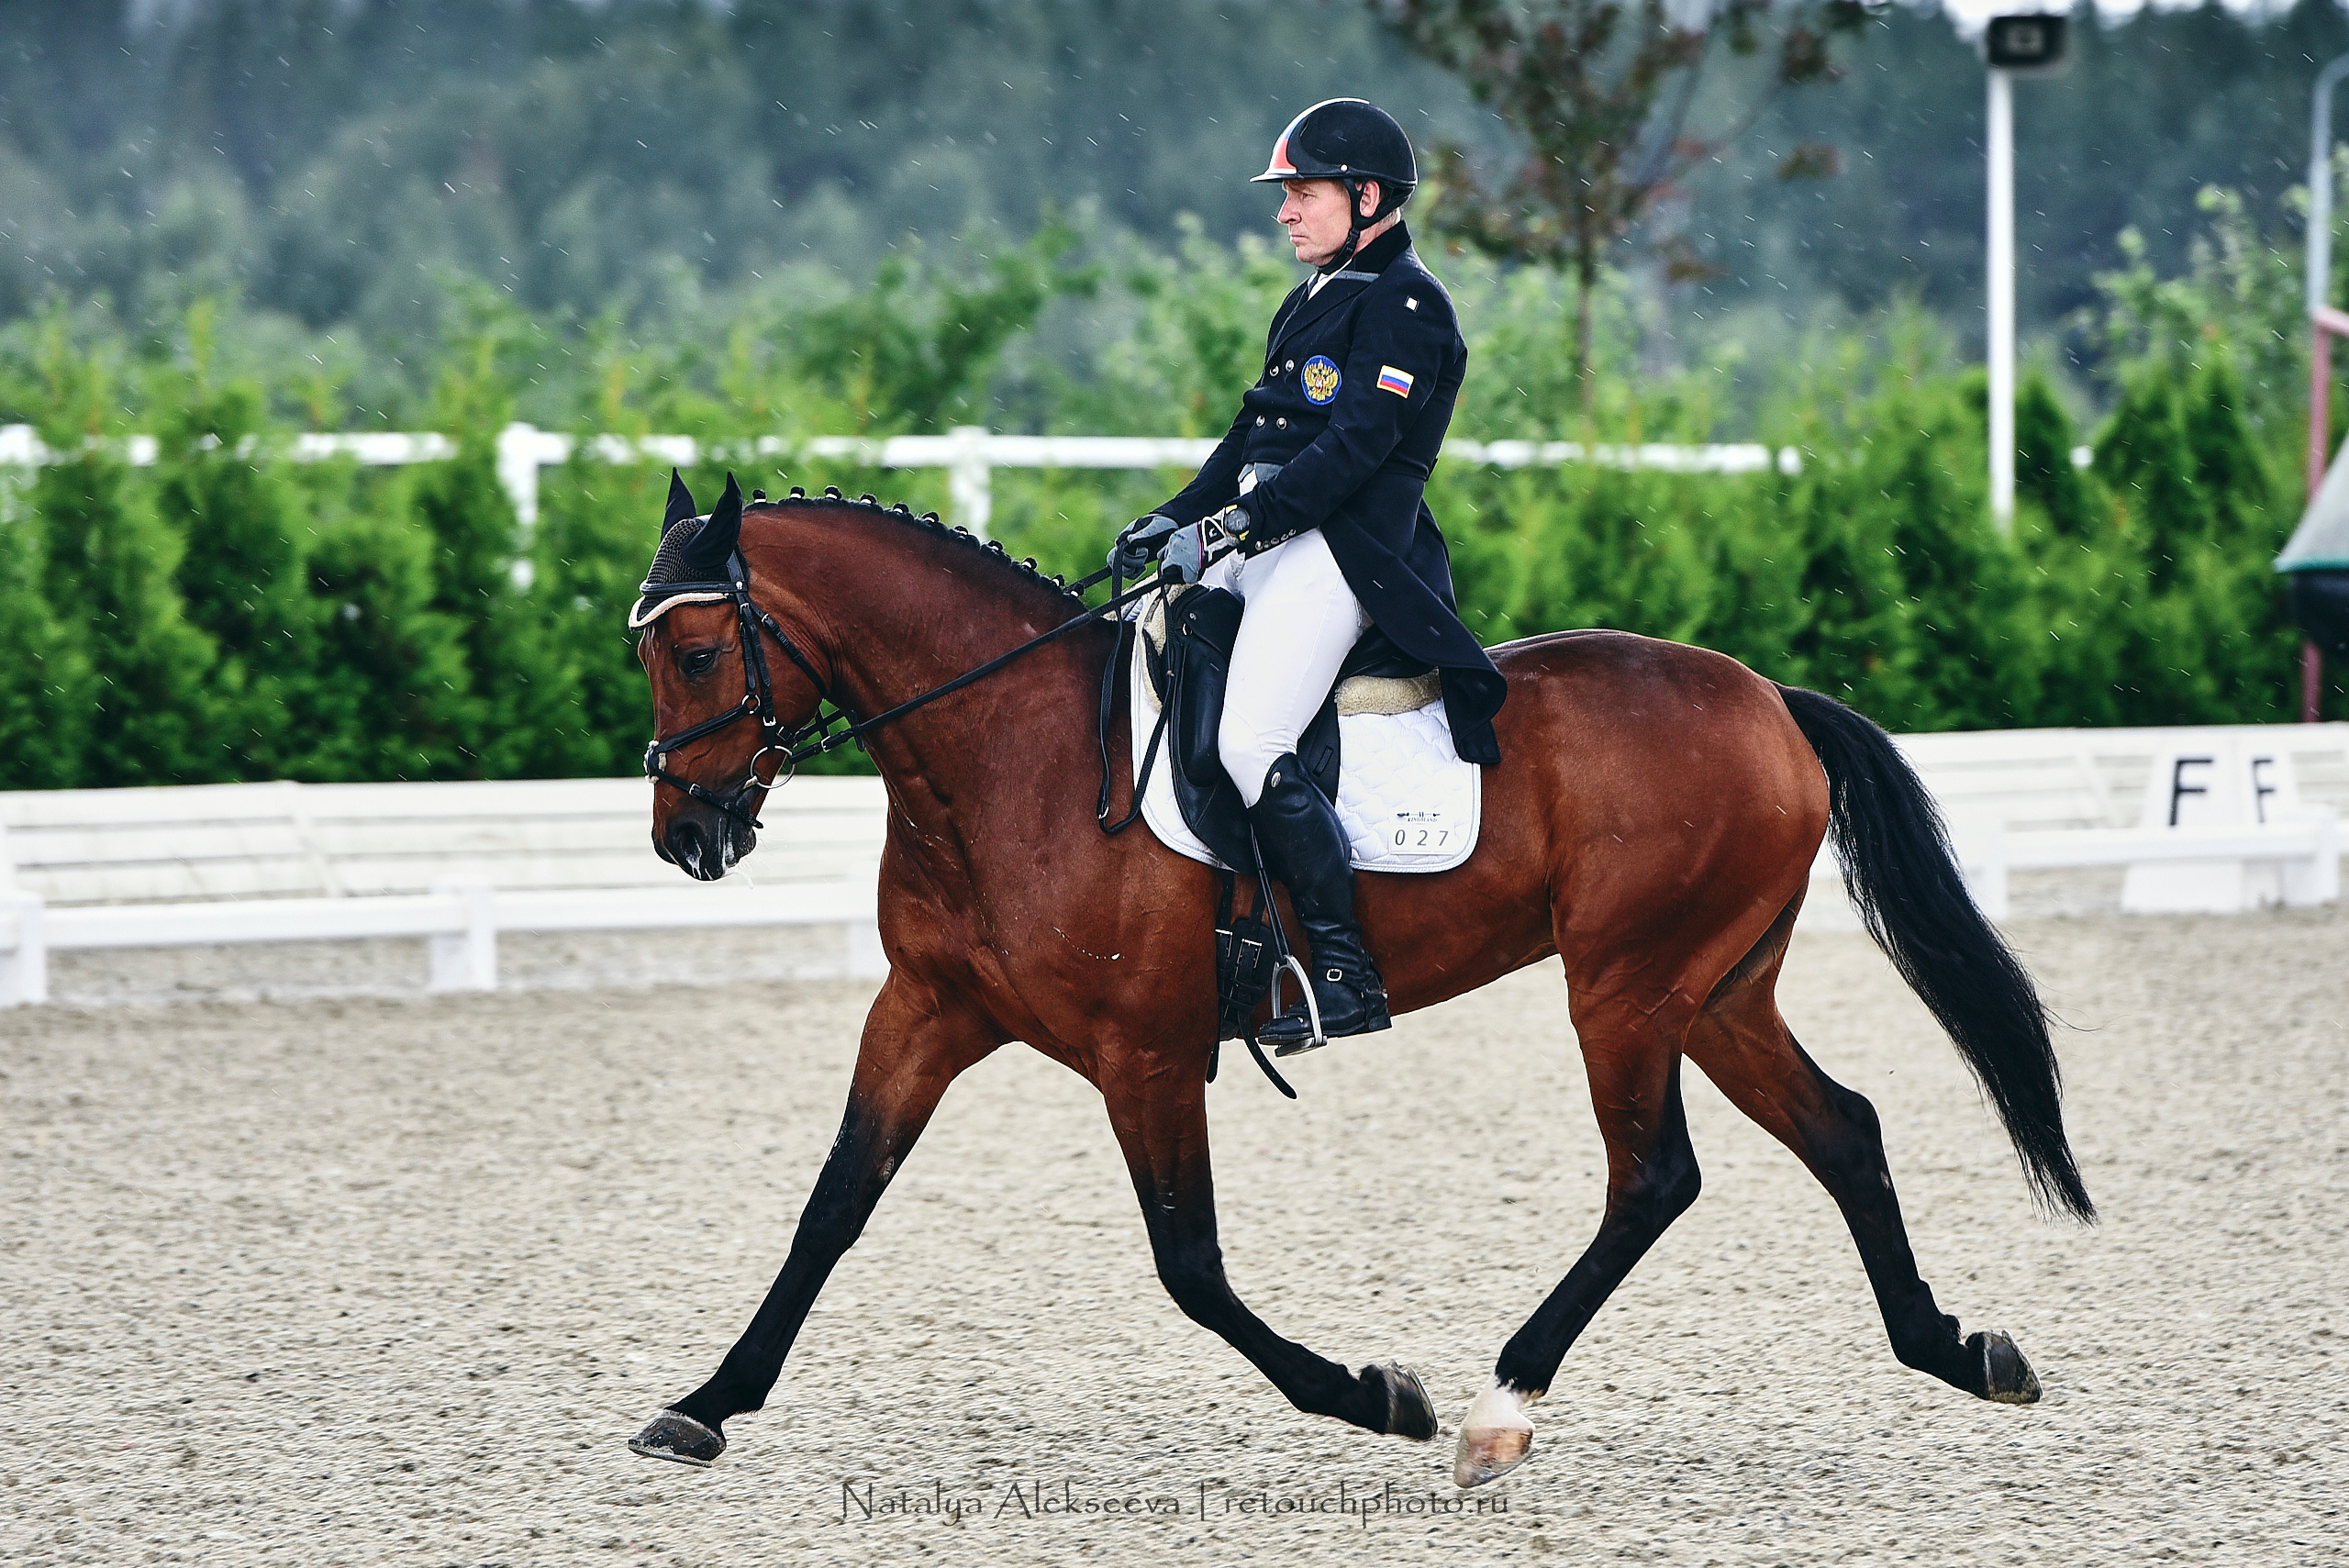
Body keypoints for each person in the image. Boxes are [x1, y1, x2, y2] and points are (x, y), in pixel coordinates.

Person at [1111, 97, 1507, 1053]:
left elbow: (1357, 447)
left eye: (1302, 192)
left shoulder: (1408, 304)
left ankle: (1341, 967)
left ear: (1366, 196)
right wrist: (1176, 517)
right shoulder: (1309, 300)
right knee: (1139, 652)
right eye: (1284, 195)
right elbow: (1247, 440)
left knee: (1250, 737)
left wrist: (1233, 526)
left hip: (1346, 554)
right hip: (1273, 543)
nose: (1285, 211)